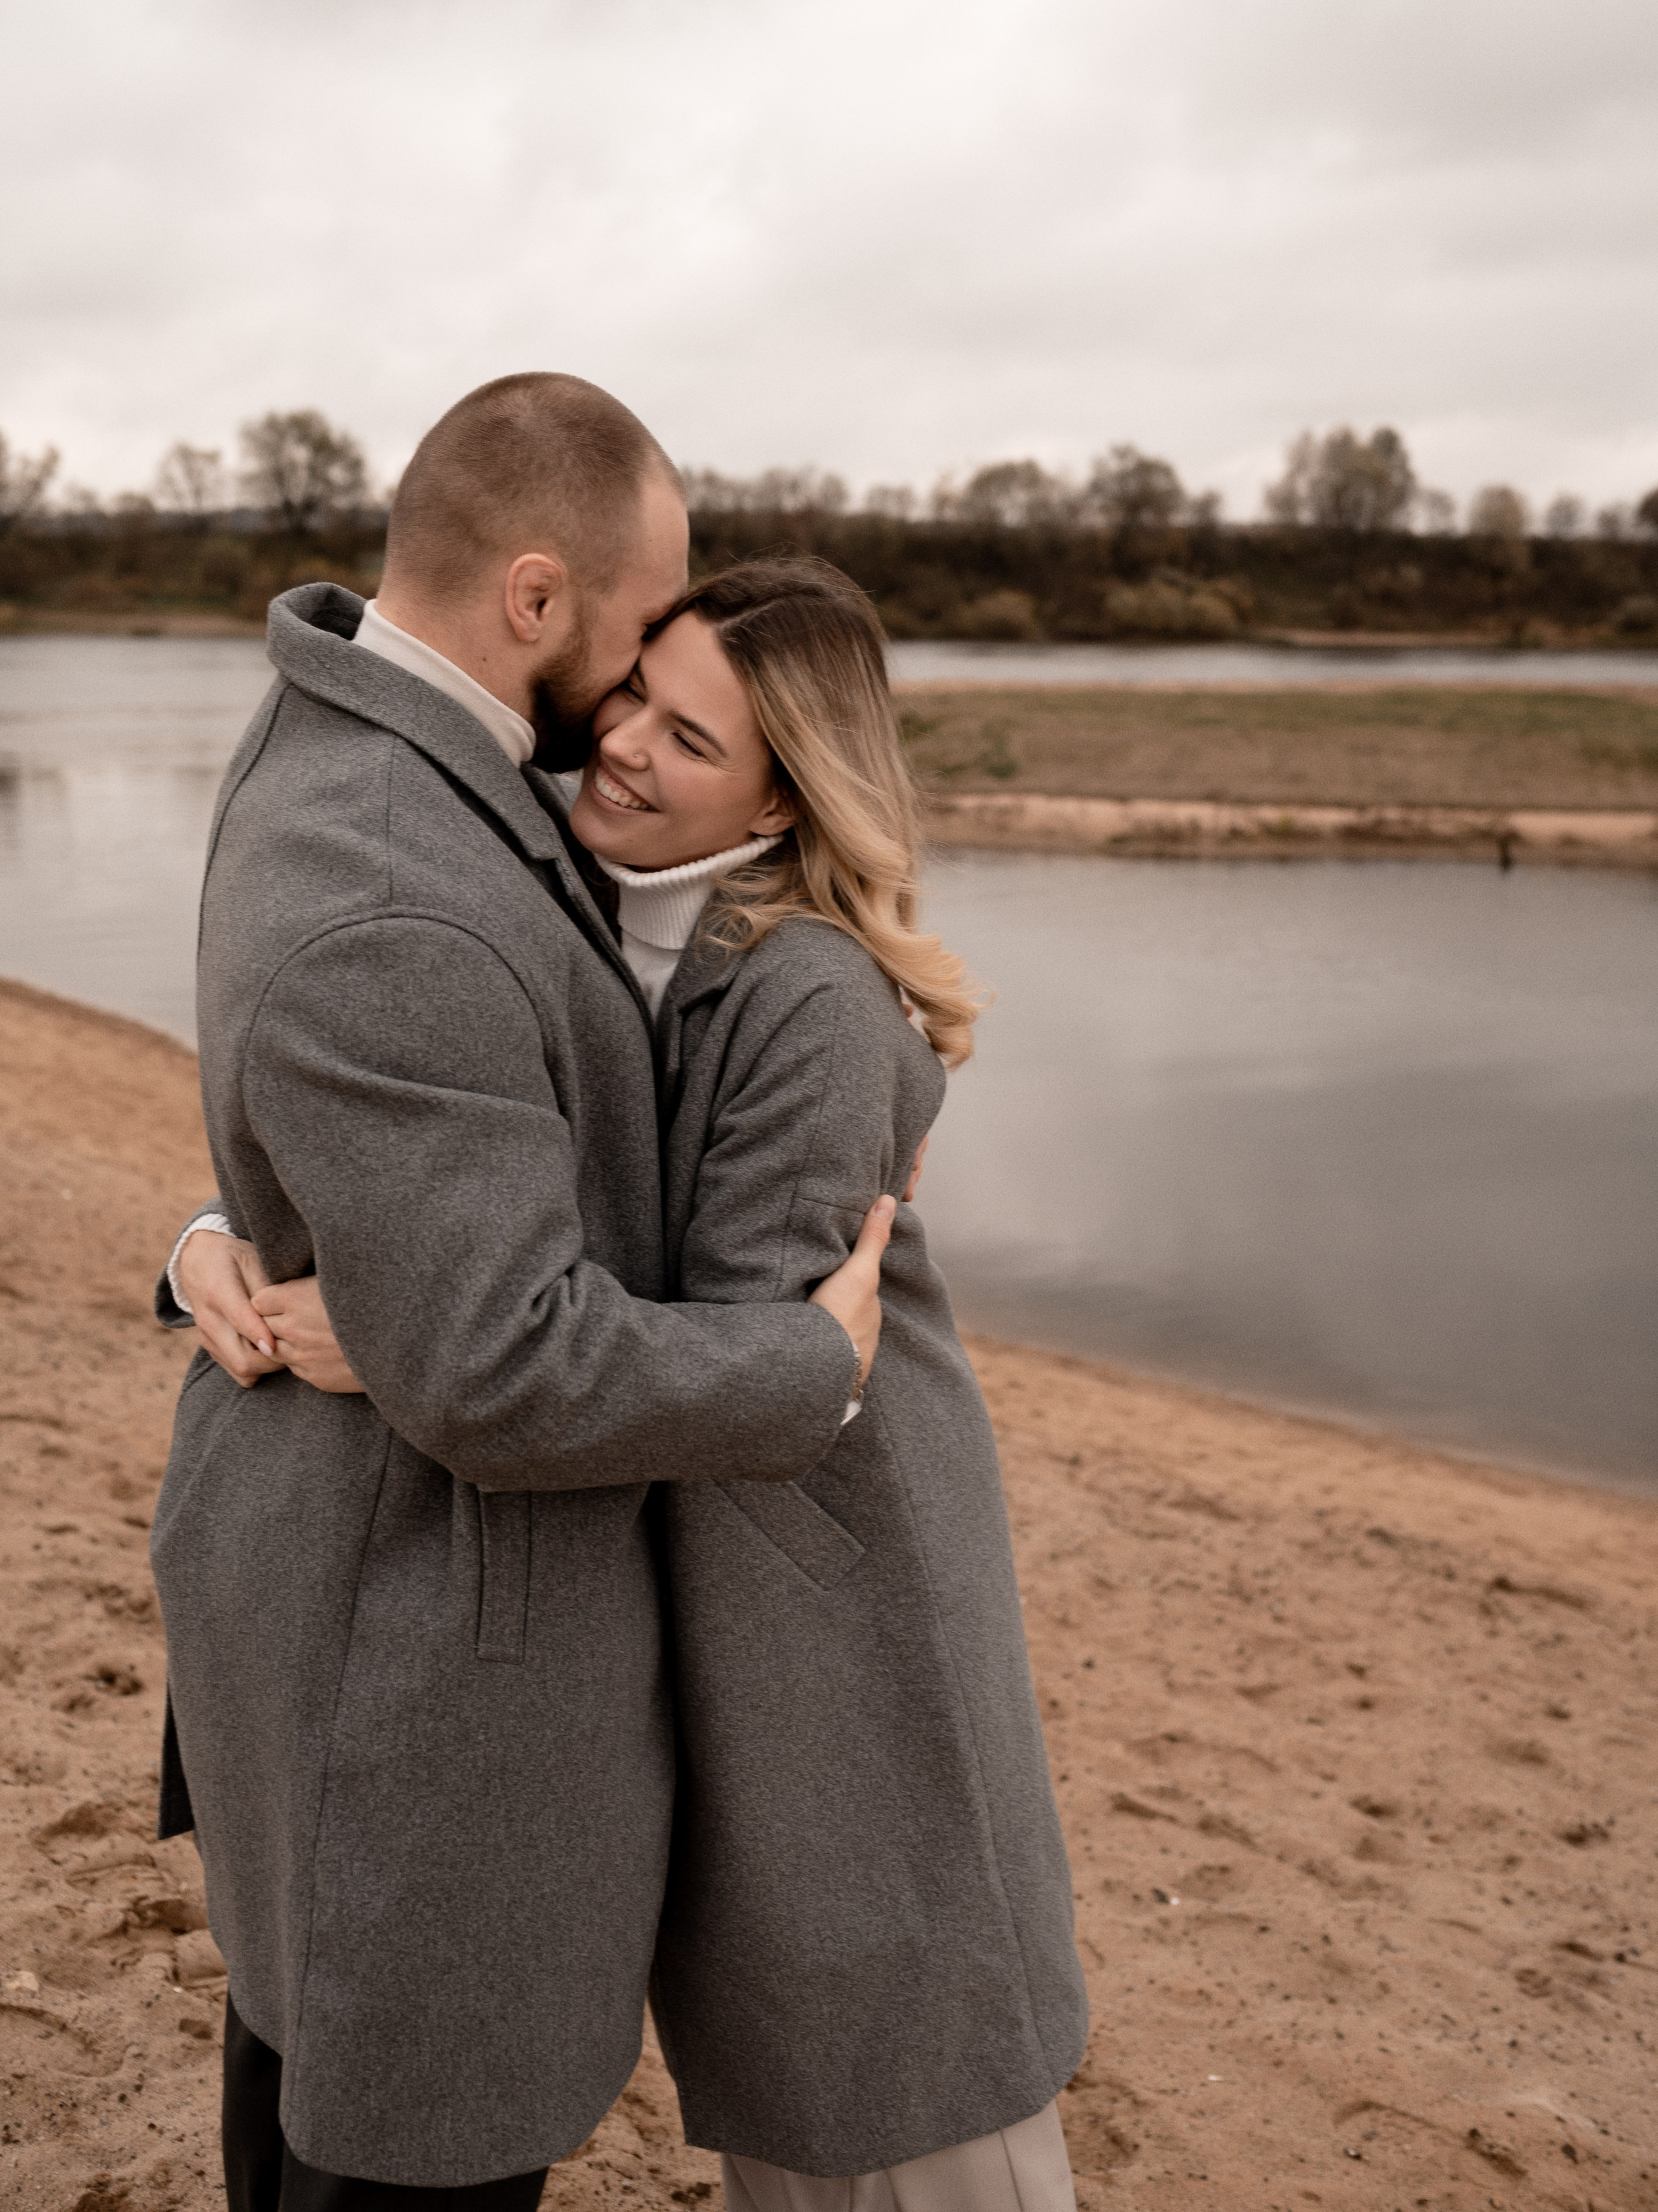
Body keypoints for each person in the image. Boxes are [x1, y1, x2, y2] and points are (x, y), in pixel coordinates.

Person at [190, 558, 1091, 2210]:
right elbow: (410, 1116)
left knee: (895, 2078)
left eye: (690, 739)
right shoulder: (580, 887)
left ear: (783, 790)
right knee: (797, 2083)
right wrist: (210, 1231)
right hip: (696, 1552)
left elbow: (718, 1325)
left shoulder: (811, 994)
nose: (620, 746)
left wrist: (397, 1326)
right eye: (632, 697)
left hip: (830, 1572)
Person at [150, 378, 894, 2212]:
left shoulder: (383, 749)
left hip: (346, 1607)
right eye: (643, 639)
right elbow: (498, 1366)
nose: (639, 700)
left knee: (308, 2080)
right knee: (387, 2141)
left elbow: (348, 1128)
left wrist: (209, 1237)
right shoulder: (391, 867)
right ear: (541, 601)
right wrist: (808, 1365)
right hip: (413, 1674)